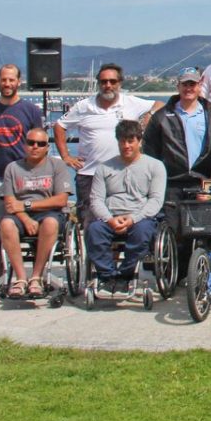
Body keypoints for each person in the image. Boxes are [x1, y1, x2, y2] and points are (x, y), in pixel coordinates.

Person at [143, 67, 211, 272]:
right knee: (173, 230)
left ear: (200, 86)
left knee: (202, 231)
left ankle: (197, 275)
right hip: (171, 181)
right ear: (178, 86)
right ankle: (174, 273)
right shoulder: (161, 117)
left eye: (193, 84)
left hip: (202, 182)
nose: (189, 88)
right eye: (185, 84)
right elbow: (150, 151)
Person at [54, 63, 162, 225]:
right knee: (90, 224)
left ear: (120, 83)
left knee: (122, 225)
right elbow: (59, 126)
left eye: (112, 81)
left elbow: (160, 104)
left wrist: (150, 115)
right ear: (98, 83)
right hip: (89, 174)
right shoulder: (84, 106)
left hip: (123, 175)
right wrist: (66, 156)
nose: (108, 85)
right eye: (104, 82)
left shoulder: (131, 102)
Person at [0, 64, 44, 294]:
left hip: (24, 178)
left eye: (11, 80)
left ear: (19, 82)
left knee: (29, 226)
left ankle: (31, 276)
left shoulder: (31, 111)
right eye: (3, 80)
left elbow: (40, 144)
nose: (7, 84)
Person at [85, 120, 167, 295]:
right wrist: (109, 219)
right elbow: (96, 199)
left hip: (140, 217)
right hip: (111, 216)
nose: (126, 145)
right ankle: (107, 275)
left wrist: (133, 219)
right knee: (94, 231)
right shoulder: (104, 168)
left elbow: (155, 200)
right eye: (122, 141)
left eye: (131, 141)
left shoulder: (155, 166)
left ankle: (126, 274)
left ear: (139, 141)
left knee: (143, 232)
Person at [0, 127, 72, 298]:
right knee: (6, 224)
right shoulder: (12, 168)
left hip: (49, 213)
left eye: (41, 144)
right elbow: (9, 202)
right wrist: (25, 218)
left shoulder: (57, 166)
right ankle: (21, 278)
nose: (35, 147)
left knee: (50, 223)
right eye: (31, 143)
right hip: (19, 216)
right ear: (25, 145)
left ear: (47, 147)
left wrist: (26, 205)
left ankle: (36, 276)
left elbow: (61, 200)